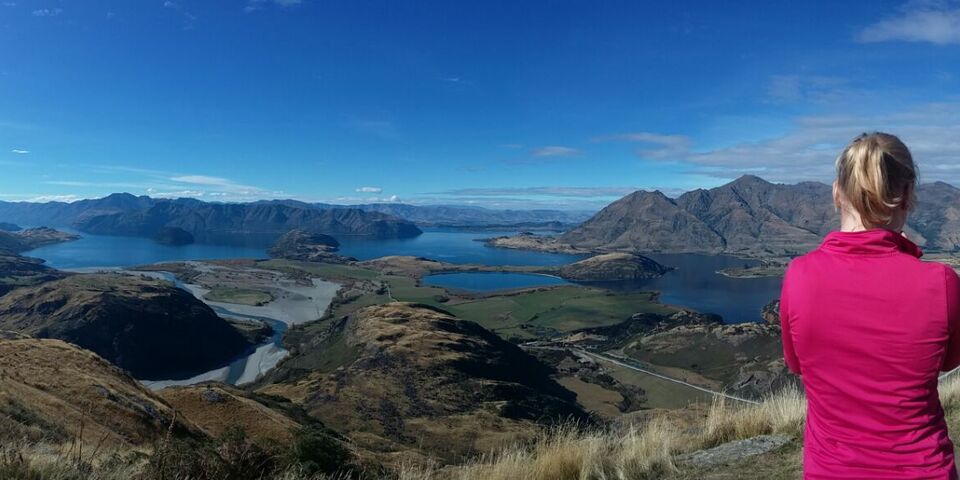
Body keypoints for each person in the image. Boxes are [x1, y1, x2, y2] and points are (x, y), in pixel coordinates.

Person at [781, 132, 960, 479]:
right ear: (907, 195)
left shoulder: (800, 276)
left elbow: (797, 364)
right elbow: (949, 361)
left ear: (837, 192)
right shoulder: (942, 282)